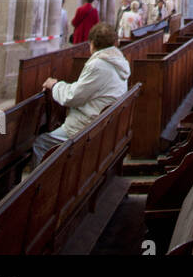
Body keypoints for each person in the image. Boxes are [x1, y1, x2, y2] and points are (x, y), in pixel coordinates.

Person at [25, 23, 130, 171]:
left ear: (92, 44)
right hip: (103, 124)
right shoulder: (119, 61)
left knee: (42, 143)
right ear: (114, 43)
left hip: (87, 127)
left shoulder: (98, 64)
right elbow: (85, 89)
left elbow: (72, 97)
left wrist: (55, 85)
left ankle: (42, 190)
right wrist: (64, 86)